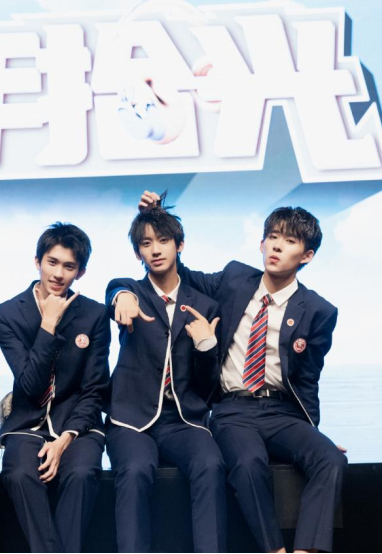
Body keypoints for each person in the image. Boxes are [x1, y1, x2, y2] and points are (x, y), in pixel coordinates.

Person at [114, 191, 348, 553]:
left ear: (307, 255)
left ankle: (305, 550)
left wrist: (311, 433)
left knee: (330, 458)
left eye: (290, 241)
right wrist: (156, 222)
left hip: (283, 412)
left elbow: (307, 381)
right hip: (233, 410)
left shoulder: (319, 311)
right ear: (261, 243)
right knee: (248, 462)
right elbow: (175, 275)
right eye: (272, 237)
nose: (277, 246)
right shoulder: (235, 279)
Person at [104, 200, 227, 553]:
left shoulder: (205, 305)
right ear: (138, 253)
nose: (155, 250)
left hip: (182, 420)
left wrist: (206, 347)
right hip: (131, 419)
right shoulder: (129, 292)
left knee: (210, 464)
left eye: (163, 241)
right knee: (135, 471)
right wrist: (121, 298)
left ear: (179, 245)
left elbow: (207, 387)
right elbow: (114, 288)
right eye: (146, 244)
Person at [0, 223, 111, 553]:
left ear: (80, 272)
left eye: (69, 266)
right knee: (19, 474)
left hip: (77, 425)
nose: (58, 274)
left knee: (82, 473)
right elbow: (30, 386)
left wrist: (65, 439)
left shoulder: (94, 315)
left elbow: (94, 389)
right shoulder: (7, 314)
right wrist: (47, 326)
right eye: (52, 262)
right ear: (37, 262)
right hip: (27, 422)